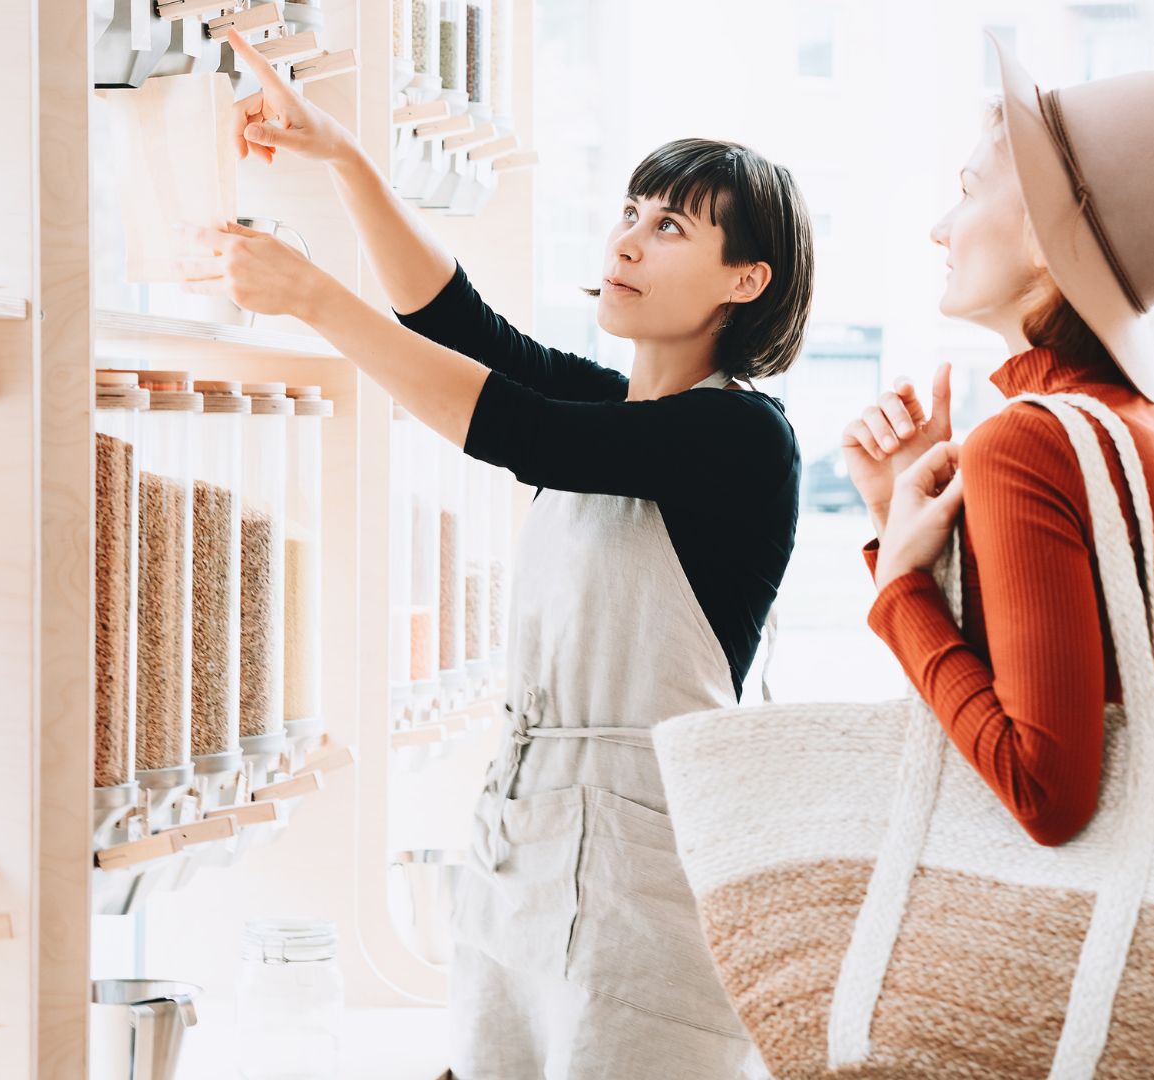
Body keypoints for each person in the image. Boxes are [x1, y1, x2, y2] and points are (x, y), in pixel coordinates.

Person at [187, 34, 816, 1078]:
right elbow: (457, 325)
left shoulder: (742, 439)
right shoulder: (619, 407)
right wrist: (344, 160)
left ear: (745, 280)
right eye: (629, 211)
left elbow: (512, 426)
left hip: (645, 886)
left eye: (670, 226)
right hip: (524, 855)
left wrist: (312, 299)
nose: (628, 238)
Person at [843, 34, 1154, 847]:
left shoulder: (1026, 444)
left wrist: (901, 584)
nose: (939, 229)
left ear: (1043, 238)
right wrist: (903, 511)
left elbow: (1046, 796)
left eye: (966, 190)